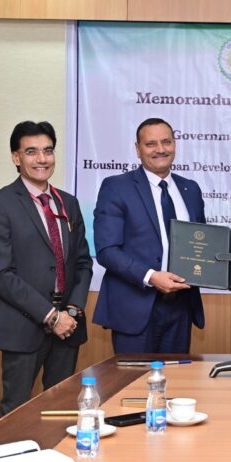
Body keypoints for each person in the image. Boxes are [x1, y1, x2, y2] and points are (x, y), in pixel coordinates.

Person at [0, 121, 92, 416]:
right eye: (31, 152)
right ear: (16, 157)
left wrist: (72, 310)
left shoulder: (69, 203)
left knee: (62, 409)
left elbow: (83, 262)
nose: (42, 159)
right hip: (24, 325)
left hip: (68, 326)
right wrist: (51, 316)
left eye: (48, 150)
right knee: (15, 413)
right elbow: (1, 274)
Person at [93, 118, 206, 353]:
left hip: (181, 306)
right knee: (134, 376)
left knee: (176, 375)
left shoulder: (191, 189)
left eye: (166, 142)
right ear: (138, 149)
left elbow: (203, 243)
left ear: (175, 144)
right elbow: (107, 250)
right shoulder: (117, 187)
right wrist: (152, 277)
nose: (160, 149)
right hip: (135, 307)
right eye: (151, 144)